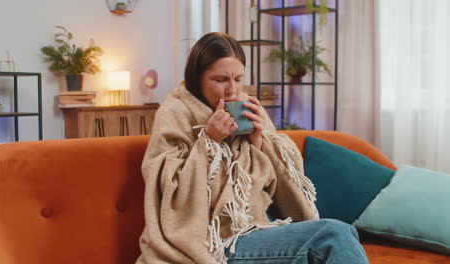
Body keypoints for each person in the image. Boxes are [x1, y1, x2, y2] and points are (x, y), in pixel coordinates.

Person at [136, 32, 368, 264]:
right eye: (221, 80)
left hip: (260, 226)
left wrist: (259, 142)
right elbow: (169, 189)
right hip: (215, 241)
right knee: (332, 235)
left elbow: (277, 189)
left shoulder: (248, 107)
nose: (232, 90)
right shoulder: (174, 112)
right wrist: (209, 141)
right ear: (197, 78)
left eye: (238, 79)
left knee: (342, 232)